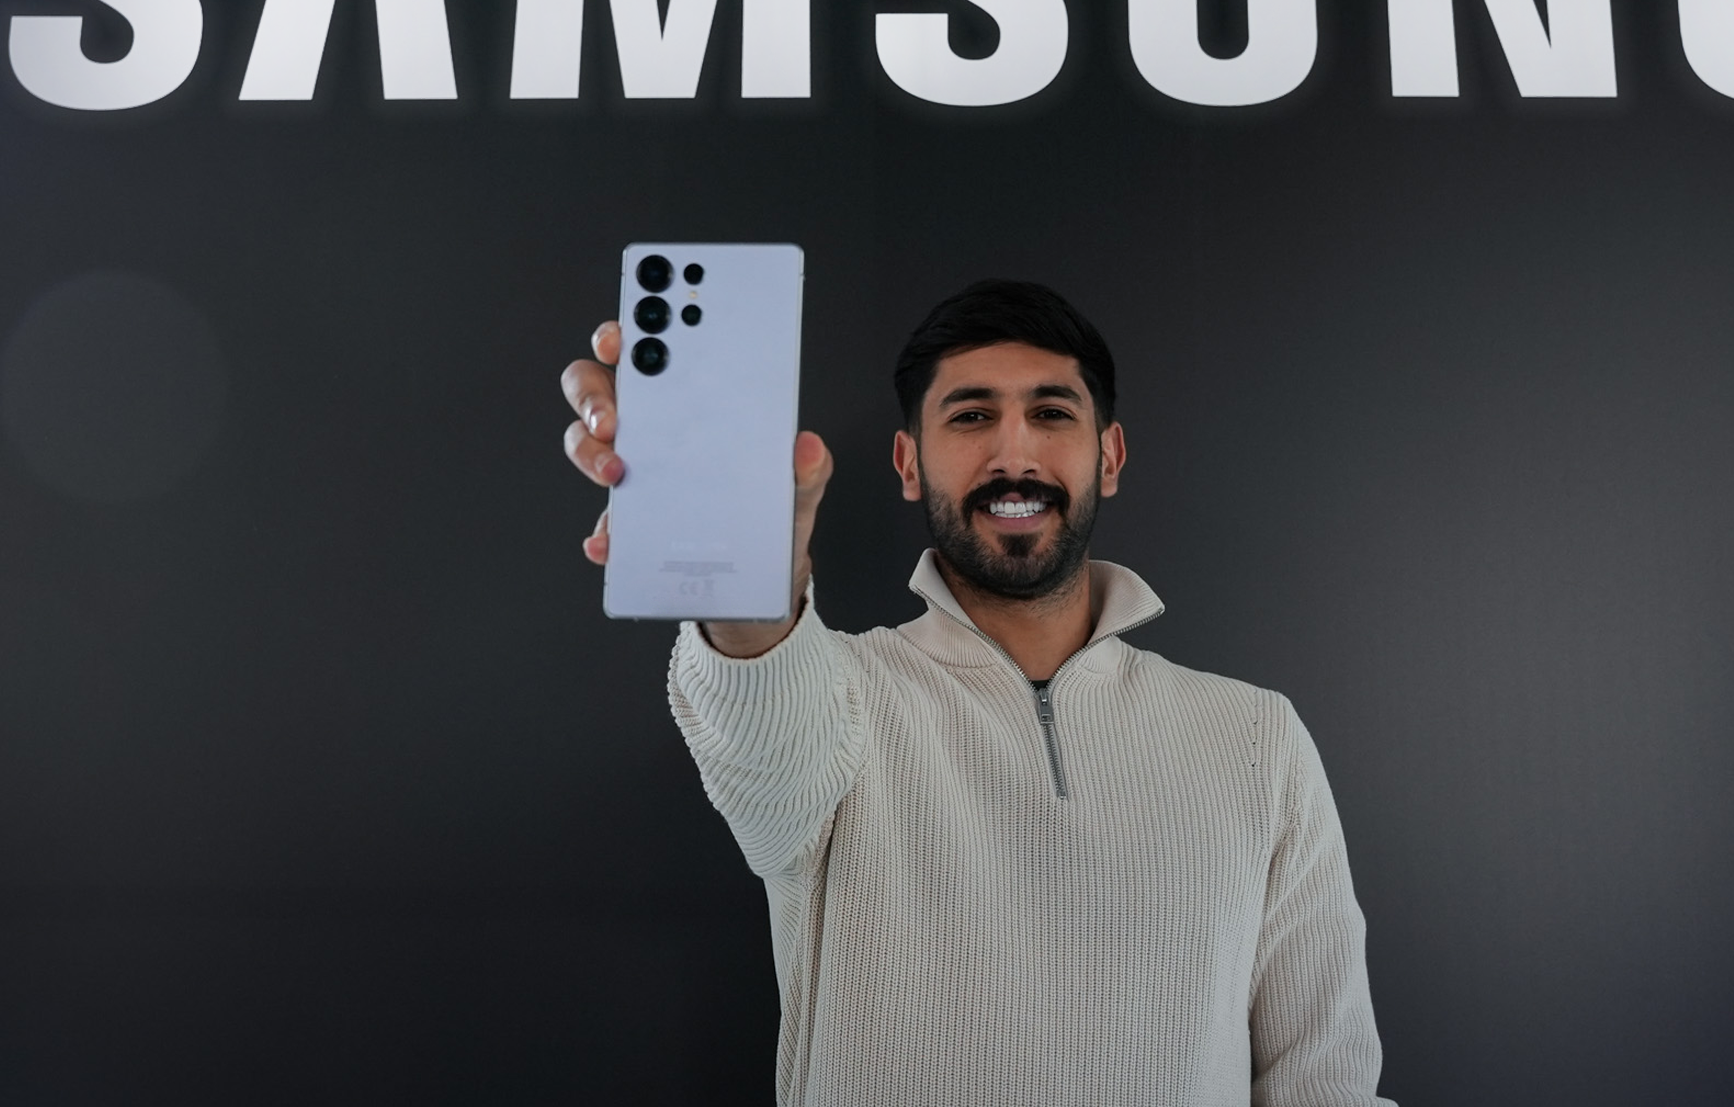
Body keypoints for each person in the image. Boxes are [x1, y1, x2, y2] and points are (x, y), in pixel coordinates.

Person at [560, 279, 1394, 1107]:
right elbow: (765, 731)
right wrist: (747, 591)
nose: (1013, 455)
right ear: (909, 463)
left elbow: (1326, 1083)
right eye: (970, 416)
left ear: (1108, 457)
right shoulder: (843, 702)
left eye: (1052, 413)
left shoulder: (1256, 739)